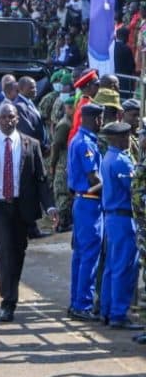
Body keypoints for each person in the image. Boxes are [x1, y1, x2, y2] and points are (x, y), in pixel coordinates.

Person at [0, 102, 57, 322]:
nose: (8, 121)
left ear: (17, 119)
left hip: (22, 207)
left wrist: (50, 206)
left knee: (18, 253)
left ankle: (11, 292)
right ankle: (8, 302)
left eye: (11, 117)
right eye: (4, 117)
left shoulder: (31, 145)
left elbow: (41, 179)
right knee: (5, 252)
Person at [98, 121, 142, 329]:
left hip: (113, 217)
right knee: (124, 267)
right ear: (115, 139)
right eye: (124, 137)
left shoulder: (109, 157)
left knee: (112, 266)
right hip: (123, 218)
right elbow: (134, 188)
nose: (128, 140)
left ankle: (107, 310)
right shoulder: (121, 161)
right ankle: (118, 314)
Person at [66, 103, 103, 321]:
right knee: (89, 256)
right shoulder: (86, 143)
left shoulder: (77, 139)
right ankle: (83, 305)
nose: (101, 122)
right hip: (90, 202)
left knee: (80, 256)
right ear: (94, 119)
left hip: (82, 201)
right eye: (100, 118)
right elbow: (93, 179)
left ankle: (76, 302)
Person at [49, 99, 77, 233]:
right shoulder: (65, 124)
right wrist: (52, 164)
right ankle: (61, 223)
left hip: (67, 164)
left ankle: (65, 221)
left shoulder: (71, 123)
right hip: (62, 164)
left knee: (66, 194)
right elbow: (56, 145)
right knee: (62, 194)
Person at [67, 69, 100, 143]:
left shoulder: (84, 102)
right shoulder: (87, 107)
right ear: (89, 86)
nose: (99, 87)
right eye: (97, 85)